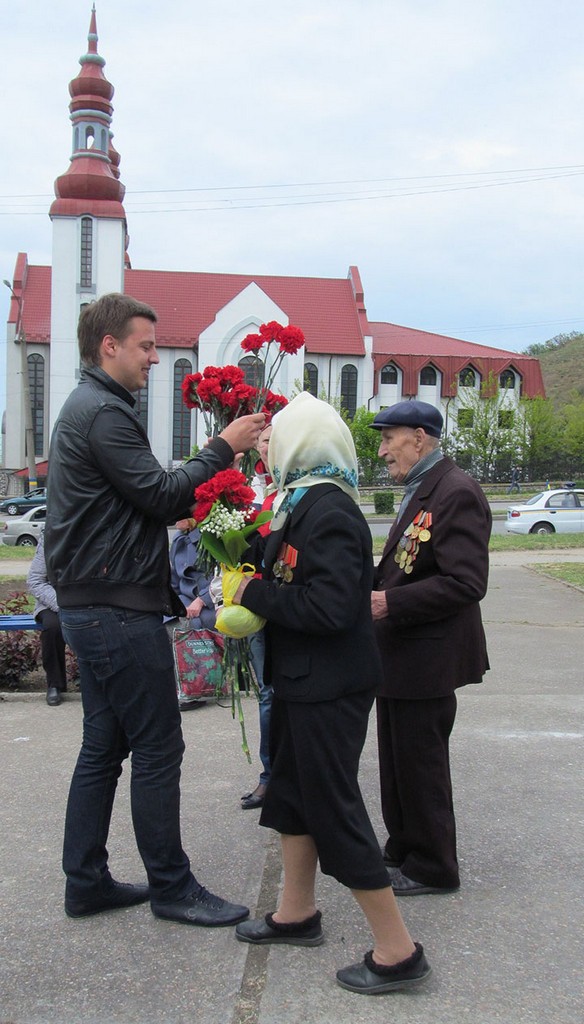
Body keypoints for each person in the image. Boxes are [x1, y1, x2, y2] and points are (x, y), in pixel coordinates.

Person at [45, 292, 264, 925]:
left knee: (104, 746)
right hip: (115, 609)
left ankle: (85, 882)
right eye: (144, 346)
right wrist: (222, 446)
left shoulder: (91, 408)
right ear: (107, 345)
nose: (153, 357)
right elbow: (160, 494)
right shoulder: (103, 414)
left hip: (95, 604)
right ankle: (172, 887)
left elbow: (146, 498)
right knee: (159, 746)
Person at [229, 392, 431, 995]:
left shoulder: (330, 508)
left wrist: (252, 596)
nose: (270, 450)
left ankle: (398, 951)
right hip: (302, 678)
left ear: (302, 444)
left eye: (279, 437)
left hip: (329, 683)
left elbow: (334, 606)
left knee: (334, 808)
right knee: (292, 796)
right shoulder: (300, 500)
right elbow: (290, 574)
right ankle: (297, 914)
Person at [369, 400, 491, 895]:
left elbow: (467, 582)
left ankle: (434, 867)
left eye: (388, 439)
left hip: (428, 657)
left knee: (421, 765)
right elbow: (406, 562)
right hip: (403, 655)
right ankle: (404, 847)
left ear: (419, 438)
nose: (382, 451)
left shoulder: (456, 491)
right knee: (397, 761)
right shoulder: (422, 487)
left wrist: (389, 603)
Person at [241, 422, 274, 810]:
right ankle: (270, 775)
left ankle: (291, 770)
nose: (268, 446)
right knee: (268, 693)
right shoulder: (246, 490)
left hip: (285, 602)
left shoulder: (297, 488)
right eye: (264, 440)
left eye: (273, 439)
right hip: (255, 601)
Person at [166, 519, 217, 711]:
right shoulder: (179, 539)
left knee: (186, 627)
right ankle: (181, 689)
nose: (175, 519)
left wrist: (202, 599)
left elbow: (222, 576)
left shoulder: (210, 535)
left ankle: (193, 690)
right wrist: (174, 605)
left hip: (212, 600)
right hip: (186, 601)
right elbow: (175, 581)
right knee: (166, 623)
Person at [27, 531, 67, 706]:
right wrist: (62, 604)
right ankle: (55, 685)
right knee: (52, 628)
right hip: (52, 601)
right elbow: (35, 580)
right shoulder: (50, 536)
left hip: (87, 598)